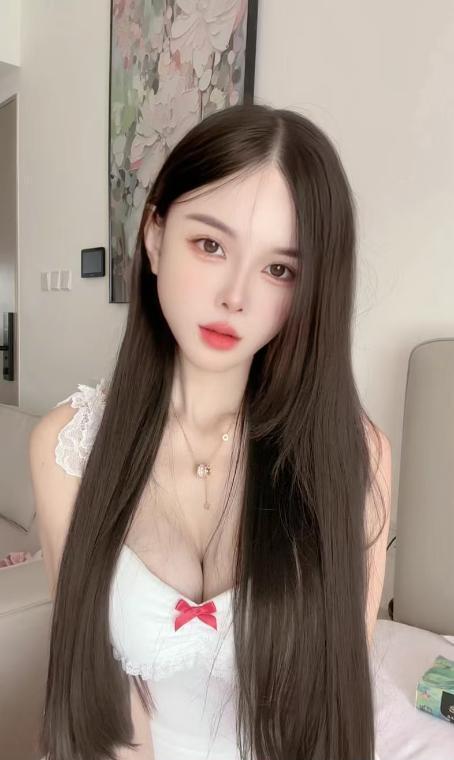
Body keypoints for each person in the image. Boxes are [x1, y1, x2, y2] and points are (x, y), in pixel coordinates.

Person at [29, 102, 391, 760]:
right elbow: (98, 694)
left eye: (279, 269)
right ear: (154, 236)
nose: (235, 296)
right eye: (211, 245)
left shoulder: (351, 454)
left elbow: (335, 704)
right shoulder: (68, 448)